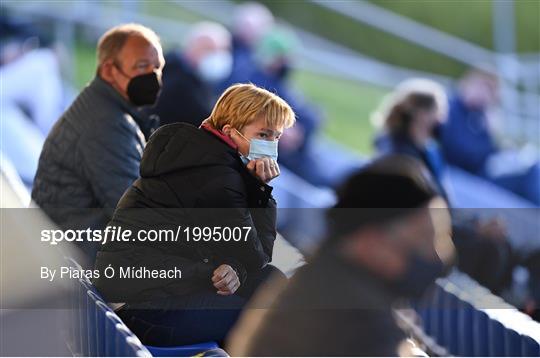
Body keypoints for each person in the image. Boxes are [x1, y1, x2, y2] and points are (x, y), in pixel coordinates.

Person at [93, 83, 296, 346]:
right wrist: (261, 189)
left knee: (269, 286)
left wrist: (234, 266)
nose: (271, 146)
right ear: (231, 132)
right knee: (264, 318)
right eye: (264, 135)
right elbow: (255, 255)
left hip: (139, 295)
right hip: (141, 310)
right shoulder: (218, 176)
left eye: (277, 137)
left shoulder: (201, 156)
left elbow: (236, 255)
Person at [227, 155, 454, 356]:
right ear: (371, 240)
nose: (439, 256)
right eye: (427, 240)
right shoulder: (363, 321)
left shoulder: (322, 275)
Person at [31, 24, 164, 260]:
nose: (153, 76)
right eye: (142, 66)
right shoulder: (105, 124)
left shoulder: (106, 109)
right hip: (80, 268)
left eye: (157, 67)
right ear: (109, 71)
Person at [373, 78, 518, 295]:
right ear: (423, 115)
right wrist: (473, 230)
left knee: (501, 242)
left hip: (440, 226)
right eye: (438, 113)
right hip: (416, 233)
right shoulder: (399, 153)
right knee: (490, 248)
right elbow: (419, 212)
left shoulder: (430, 151)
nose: (442, 120)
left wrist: (475, 224)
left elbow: (444, 205)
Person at [440, 68, 540, 205]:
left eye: (490, 90)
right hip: (467, 177)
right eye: (481, 86)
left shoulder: (478, 114)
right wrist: (489, 139)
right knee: (531, 174)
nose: (484, 93)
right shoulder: (450, 109)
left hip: (481, 173)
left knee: (533, 165)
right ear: (468, 83)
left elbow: (487, 149)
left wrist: (498, 141)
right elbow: (460, 151)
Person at [150, 22, 232, 127]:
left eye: (223, 50)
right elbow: (205, 117)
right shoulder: (175, 80)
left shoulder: (198, 80)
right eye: (210, 49)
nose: (218, 57)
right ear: (194, 47)